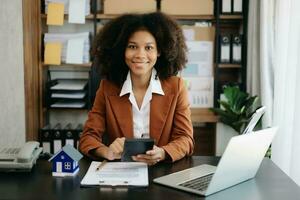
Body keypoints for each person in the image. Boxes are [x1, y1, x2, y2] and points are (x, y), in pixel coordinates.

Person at [79, 12, 194, 165]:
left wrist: (163, 153)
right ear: (122, 50)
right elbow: (88, 138)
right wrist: (107, 151)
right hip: (121, 175)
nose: (140, 55)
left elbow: (186, 139)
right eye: (132, 46)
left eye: (149, 47)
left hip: (161, 172)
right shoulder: (107, 88)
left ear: (159, 51)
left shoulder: (177, 87)